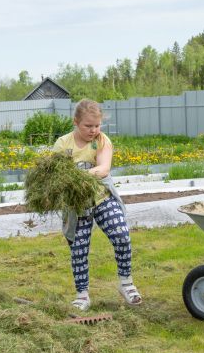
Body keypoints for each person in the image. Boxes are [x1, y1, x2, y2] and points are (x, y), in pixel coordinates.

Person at [53, 99, 142, 310]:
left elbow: (103, 169)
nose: (93, 130)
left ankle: (126, 283)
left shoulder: (102, 141)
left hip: (102, 198)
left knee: (121, 235)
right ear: (76, 122)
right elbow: (56, 175)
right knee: (79, 249)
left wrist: (76, 175)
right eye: (88, 126)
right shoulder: (63, 144)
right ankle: (82, 295)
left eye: (97, 125)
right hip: (76, 206)